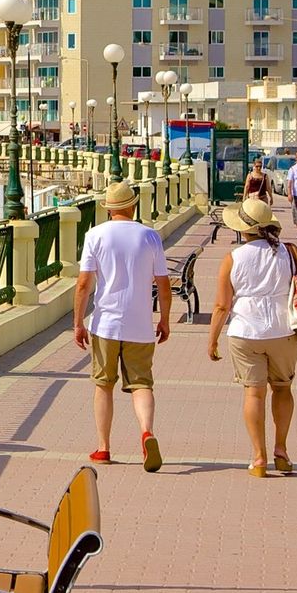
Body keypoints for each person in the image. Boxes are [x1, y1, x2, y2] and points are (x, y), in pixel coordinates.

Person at [208, 197, 297, 478]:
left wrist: (212, 340)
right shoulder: (289, 251)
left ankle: (259, 458)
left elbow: (222, 305)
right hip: (283, 330)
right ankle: (281, 449)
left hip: (244, 332)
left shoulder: (233, 258)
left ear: (242, 229)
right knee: (282, 389)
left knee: (253, 393)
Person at [73, 180, 171, 471]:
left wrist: (78, 323)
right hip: (140, 324)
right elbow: (163, 286)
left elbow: (83, 285)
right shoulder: (150, 236)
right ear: (132, 205)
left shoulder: (96, 235)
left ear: (108, 209)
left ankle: (104, 447)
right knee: (142, 384)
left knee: (104, 385)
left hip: (106, 323)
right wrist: (164, 319)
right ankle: (146, 432)